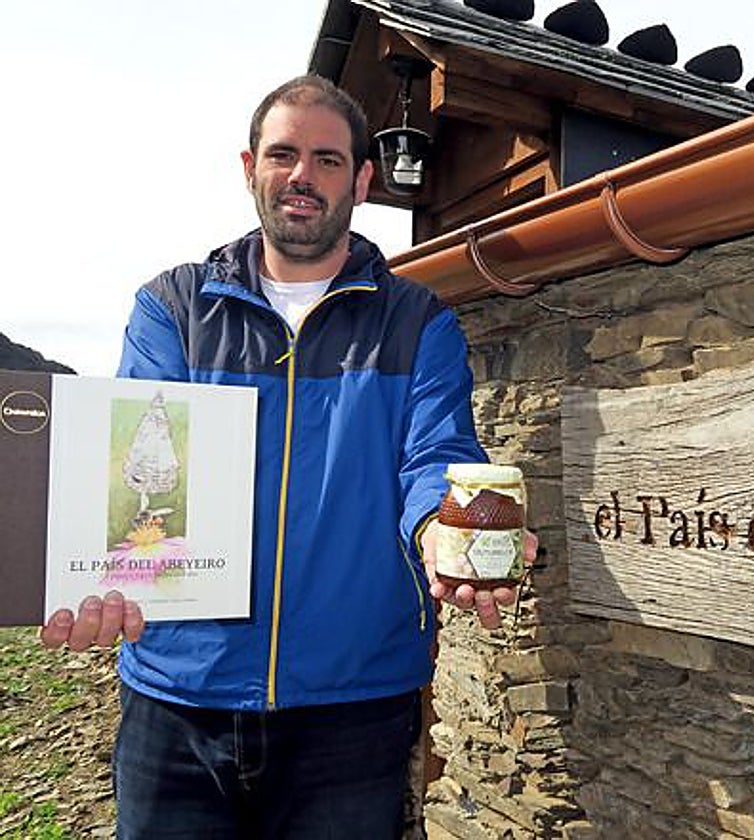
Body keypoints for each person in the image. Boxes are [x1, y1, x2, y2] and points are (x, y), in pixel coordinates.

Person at [40, 74, 535, 837]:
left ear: (361, 181)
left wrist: (445, 529)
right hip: (178, 698)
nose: (303, 175)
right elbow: (135, 473)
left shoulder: (418, 324)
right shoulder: (172, 309)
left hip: (353, 707)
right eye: (283, 155)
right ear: (251, 169)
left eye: (328, 160)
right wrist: (101, 579)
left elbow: (434, 457)